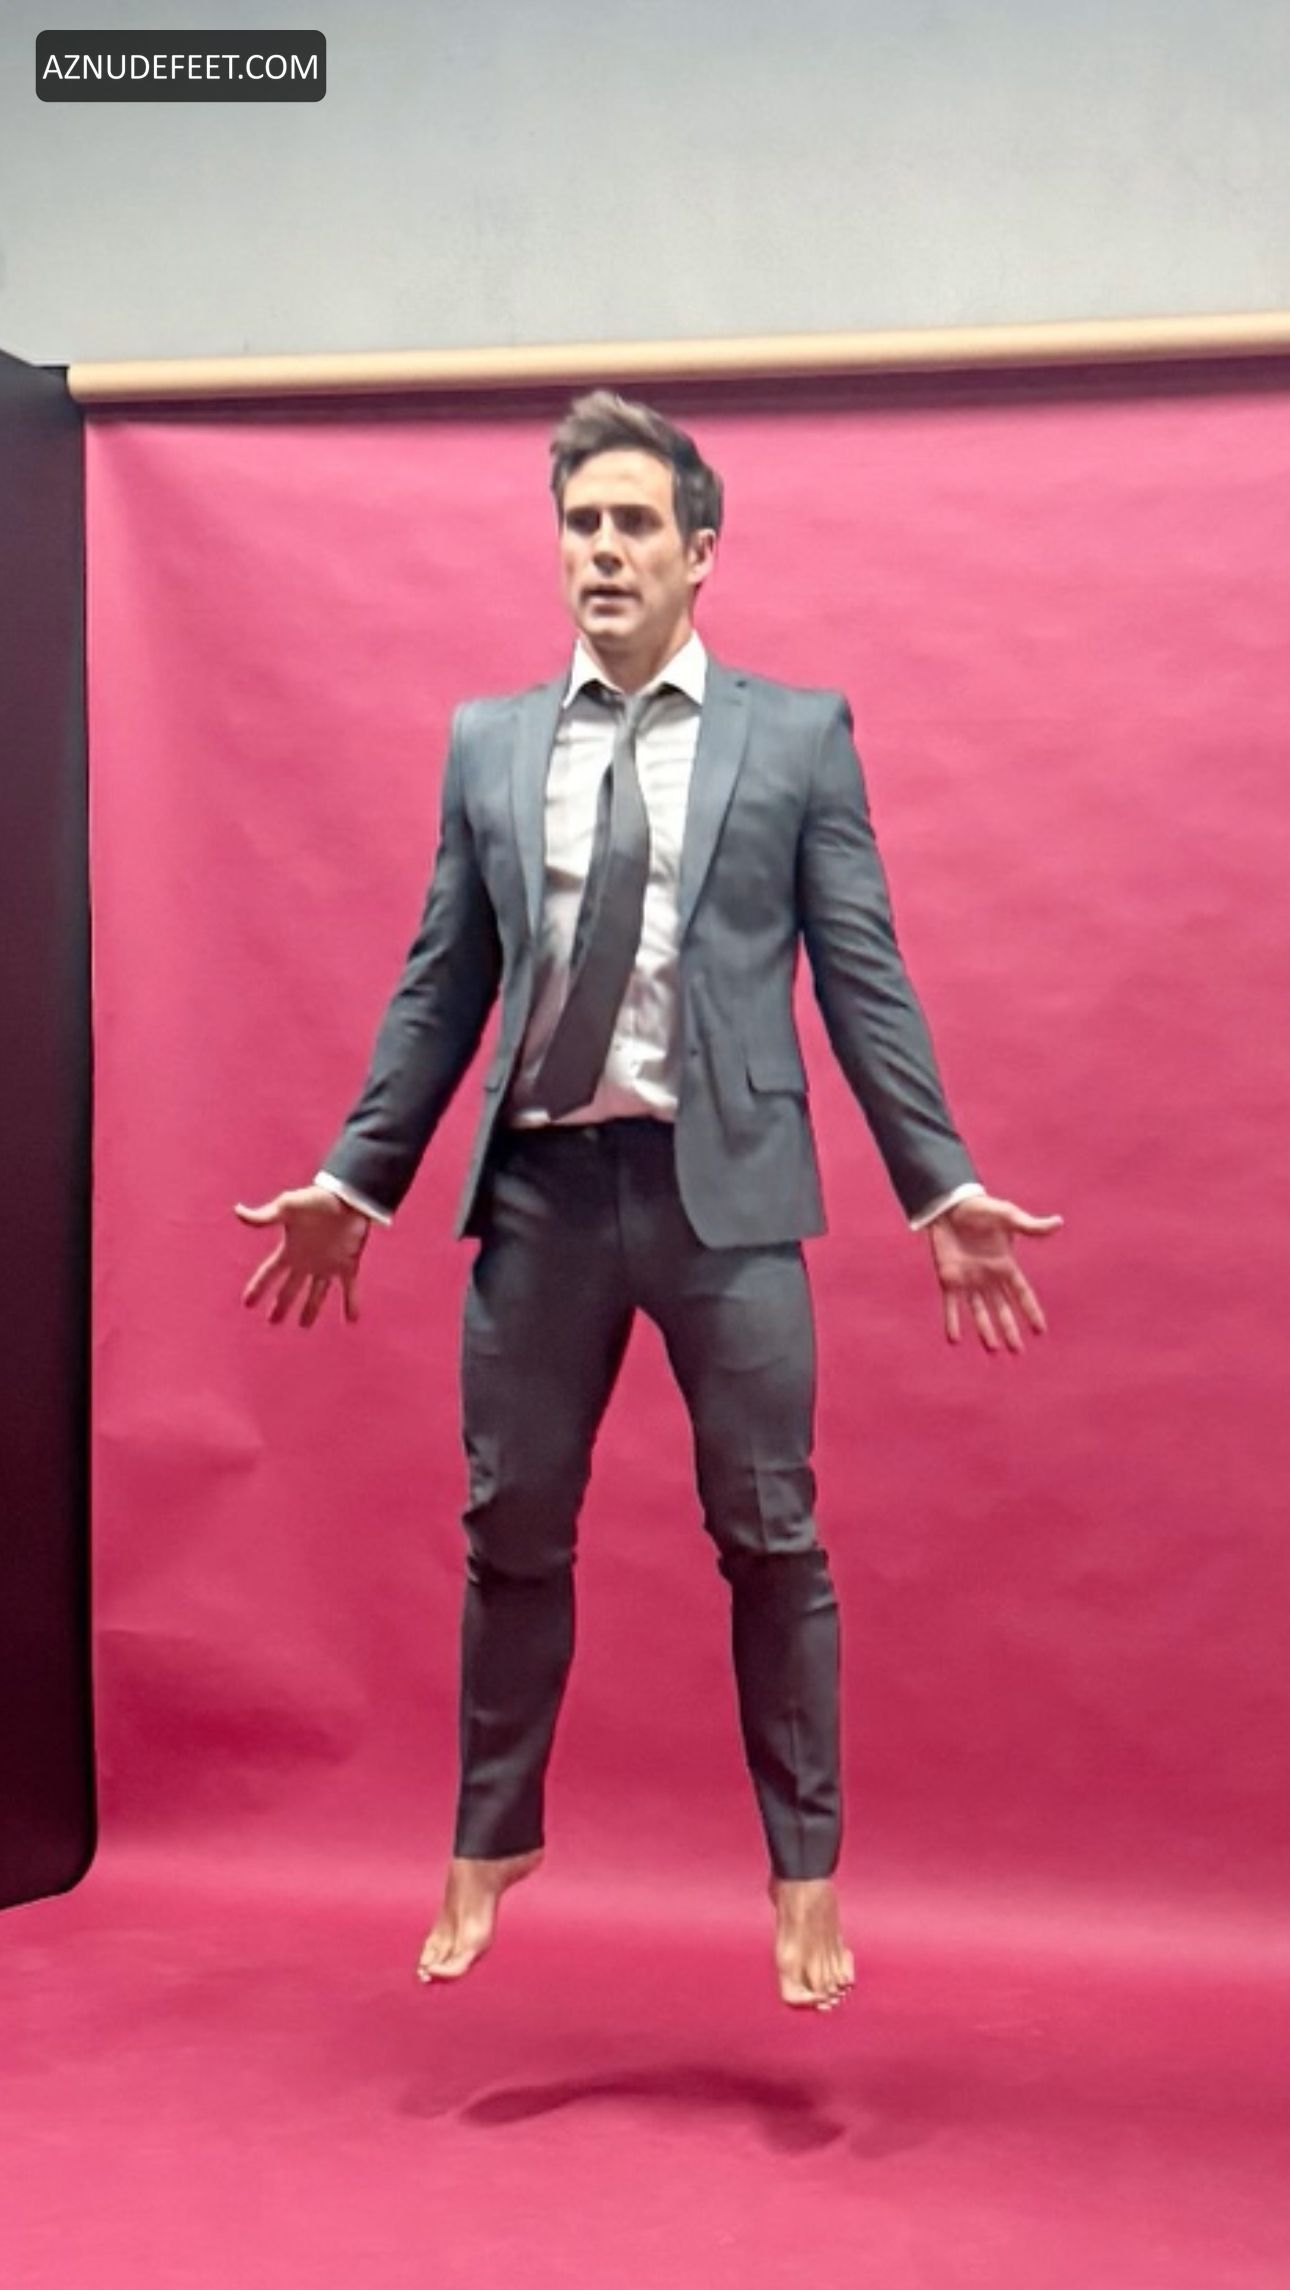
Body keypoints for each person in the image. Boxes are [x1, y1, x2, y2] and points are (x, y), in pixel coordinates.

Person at [236, 391, 1062, 2013]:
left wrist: (938, 1180)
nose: (600, 551)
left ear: (700, 552)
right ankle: (491, 1835)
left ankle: (803, 1869)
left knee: (769, 1535)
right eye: (579, 524)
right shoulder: (490, 743)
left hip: (725, 1202)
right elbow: (442, 981)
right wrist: (356, 1175)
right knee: (508, 1525)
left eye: (631, 524)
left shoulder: (795, 736)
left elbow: (864, 978)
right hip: (541, 1197)